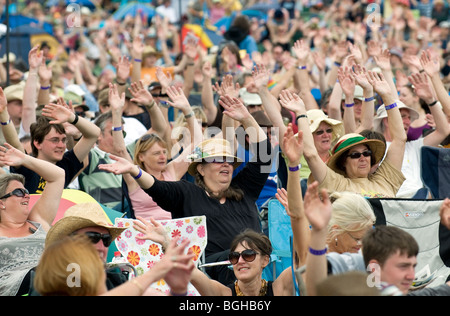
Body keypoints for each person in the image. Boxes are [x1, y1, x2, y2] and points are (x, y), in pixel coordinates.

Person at [98, 94, 272, 285]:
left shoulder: (244, 189)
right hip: (213, 274)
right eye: (217, 160)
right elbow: (158, 188)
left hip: (257, 270)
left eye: (229, 161)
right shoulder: (187, 194)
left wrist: (247, 119)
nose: (226, 165)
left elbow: (265, 155)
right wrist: (134, 170)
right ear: (201, 168)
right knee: (240, 256)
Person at [303, 181, 450, 296]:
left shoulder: (386, 286)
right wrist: (318, 232)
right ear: (375, 267)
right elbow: (315, 286)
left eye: (413, 266)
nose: (412, 275)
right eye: (403, 266)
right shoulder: (355, 261)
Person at [283, 71, 407, 198]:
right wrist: (301, 113)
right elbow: (311, 155)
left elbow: (400, 139)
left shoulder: (384, 180)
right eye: (355, 155)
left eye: (366, 153)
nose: (363, 158)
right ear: (343, 161)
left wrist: (387, 96)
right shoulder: (336, 184)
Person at [133, 217, 295, 296]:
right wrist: (166, 242)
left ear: (265, 260)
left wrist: (298, 218)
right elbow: (190, 270)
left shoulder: (279, 289)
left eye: (248, 255)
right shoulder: (223, 294)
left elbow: (304, 257)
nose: (240, 261)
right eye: (234, 256)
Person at [0, 143, 65, 296]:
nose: (27, 195)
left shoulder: (37, 220)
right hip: (18, 286)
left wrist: (24, 159)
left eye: (26, 191)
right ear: (1, 202)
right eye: (18, 192)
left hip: (56, 279)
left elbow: (58, 176)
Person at [34, 234, 194, 296]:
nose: (100, 247)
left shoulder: (115, 278)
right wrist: (153, 274)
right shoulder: (67, 280)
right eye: (91, 237)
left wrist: (178, 291)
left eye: (106, 239)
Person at [6, 99, 100, 194]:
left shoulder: (65, 165)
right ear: (38, 143)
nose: (61, 145)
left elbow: (94, 134)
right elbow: (14, 142)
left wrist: (72, 118)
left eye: (63, 140)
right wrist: (3, 114)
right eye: (55, 140)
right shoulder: (28, 166)